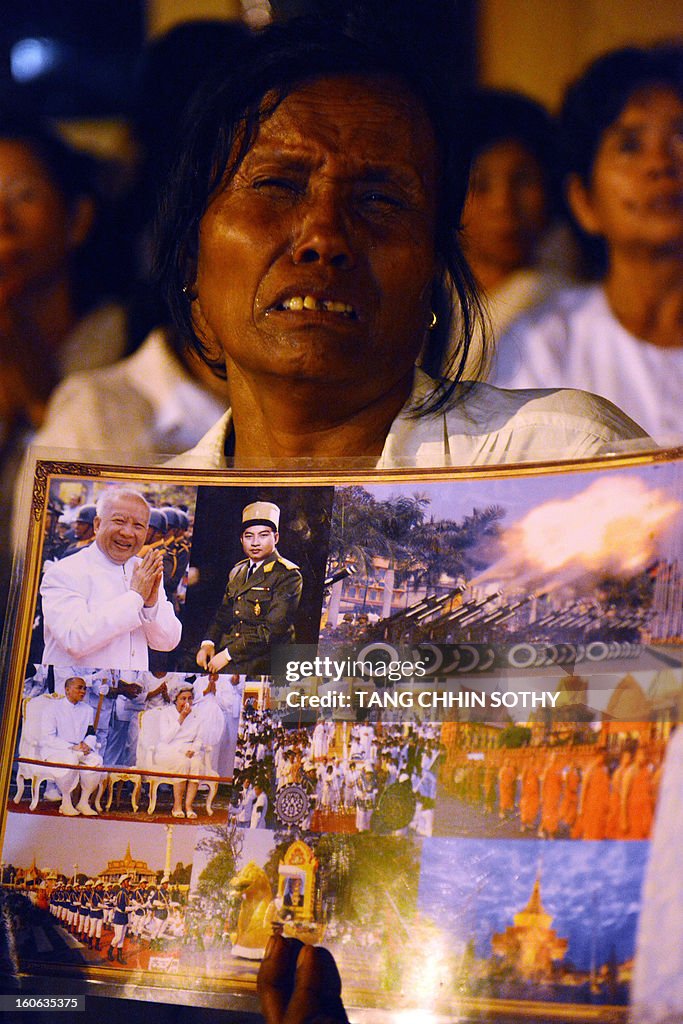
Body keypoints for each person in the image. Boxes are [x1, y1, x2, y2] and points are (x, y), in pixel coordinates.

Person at [155, 21, 648, 473]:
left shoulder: (562, 464)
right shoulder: (146, 529)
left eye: (378, 199)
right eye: (279, 186)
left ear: (434, 266)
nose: (324, 238)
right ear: (193, 257)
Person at [491, 45, 683, 439]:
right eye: (630, 145)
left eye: (681, 139)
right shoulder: (542, 347)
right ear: (583, 201)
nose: (661, 163)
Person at [456, 88, 570, 364]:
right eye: (479, 185)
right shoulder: (423, 302)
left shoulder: (568, 308)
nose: (503, 204)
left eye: (523, 181)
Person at [40, 487, 182, 669]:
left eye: (138, 526)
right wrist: (136, 597)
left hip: (131, 693)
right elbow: (74, 640)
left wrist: (151, 604)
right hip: (76, 693)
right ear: (97, 525)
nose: (127, 532)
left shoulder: (144, 570)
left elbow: (167, 642)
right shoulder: (65, 571)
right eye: (119, 521)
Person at [196, 501, 303, 675]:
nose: (255, 543)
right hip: (235, 650)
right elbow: (224, 614)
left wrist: (228, 655)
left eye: (263, 535)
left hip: (267, 659)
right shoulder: (238, 571)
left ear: (275, 538)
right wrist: (208, 643)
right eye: (248, 536)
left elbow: (273, 631)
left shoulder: (288, 575)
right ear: (241, 539)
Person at [39, 675, 103, 817]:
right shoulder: (52, 708)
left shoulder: (87, 709)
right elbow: (48, 737)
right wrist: (71, 747)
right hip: (56, 749)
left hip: (80, 750)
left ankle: (83, 802)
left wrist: (87, 744)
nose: (83, 691)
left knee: (96, 761)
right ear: (67, 690)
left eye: (85, 688)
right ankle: (66, 802)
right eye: (79, 688)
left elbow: (91, 733)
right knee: (71, 760)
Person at [154, 680, 207, 818]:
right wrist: (181, 718)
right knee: (182, 763)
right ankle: (177, 806)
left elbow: (199, 738)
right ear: (175, 699)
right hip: (168, 749)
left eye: (190, 698)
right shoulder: (166, 713)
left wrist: (194, 749)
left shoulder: (197, 714)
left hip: (189, 750)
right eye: (183, 698)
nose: (187, 702)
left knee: (196, 763)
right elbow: (165, 738)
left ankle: (188, 806)